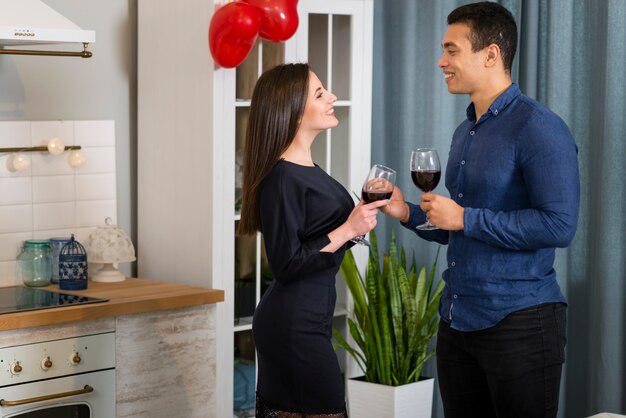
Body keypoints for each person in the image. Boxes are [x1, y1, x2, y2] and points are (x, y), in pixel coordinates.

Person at [382, 2, 580, 418]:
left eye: (452, 50)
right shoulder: (465, 129)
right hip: (457, 322)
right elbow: (457, 223)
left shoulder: (539, 127)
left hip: (521, 323)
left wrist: (465, 217)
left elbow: (559, 225)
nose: (441, 61)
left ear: (491, 54)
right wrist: (407, 213)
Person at [237, 63, 388, 417]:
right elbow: (288, 264)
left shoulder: (303, 167)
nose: (332, 96)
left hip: (306, 320)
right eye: (320, 93)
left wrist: (357, 224)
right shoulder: (282, 177)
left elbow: (316, 240)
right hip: (294, 326)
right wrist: (348, 229)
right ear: (290, 110)